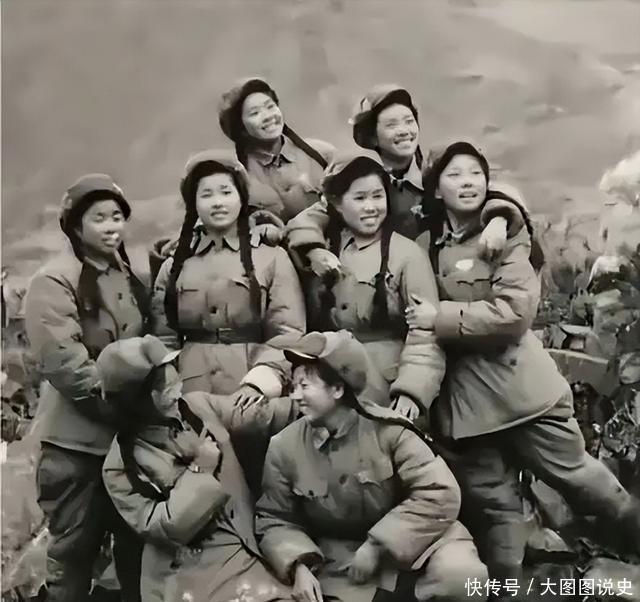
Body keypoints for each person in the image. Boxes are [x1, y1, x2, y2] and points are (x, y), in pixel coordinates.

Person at [406, 141, 640, 595]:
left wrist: (442, 318)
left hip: (523, 390)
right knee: (496, 512)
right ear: (435, 189)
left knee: (582, 479)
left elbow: (514, 314)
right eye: (455, 174)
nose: (468, 182)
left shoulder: (506, 234)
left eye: (475, 173)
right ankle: (509, 589)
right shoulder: (421, 247)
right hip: (464, 407)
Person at [256, 330, 487, 602]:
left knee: (463, 578)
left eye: (305, 386)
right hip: (342, 560)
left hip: (421, 543)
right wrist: (299, 566)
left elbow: (439, 493)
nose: (295, 396)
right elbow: (274, 518)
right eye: (294, 387)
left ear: (338, 389)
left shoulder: (390, 432)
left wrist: (378, 544)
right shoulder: (284, 447)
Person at [151, 150, 306, 494]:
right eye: (206, 194)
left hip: (249, 385)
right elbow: (162, 338)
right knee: (197, 483)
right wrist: (169, 389)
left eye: (226, 191)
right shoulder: (175, 264)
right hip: (191, 387)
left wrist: (260, 382)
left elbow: (288, 331)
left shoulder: (271, 257)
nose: (218, 202)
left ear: (241, 197)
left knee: (258, 479)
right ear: (193, 203)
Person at [100, 335, 298, 602]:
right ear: (137, 401)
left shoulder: (196, 407)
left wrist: (311, 405)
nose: (176, 393)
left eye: (176, 383)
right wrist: (201, 470)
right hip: (191, 574)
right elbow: (166, 529)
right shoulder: (122, 465)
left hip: (246, 543)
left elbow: (255, 415)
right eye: (165, 391)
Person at [24, 174, 145, 601]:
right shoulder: (54, 280)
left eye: (117, 217)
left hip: (125, 442)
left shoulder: (127, 276)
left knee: (135, 552)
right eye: (99, 218)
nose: (112, 227)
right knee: (74, 550)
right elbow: (66, 363)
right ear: (76, 226)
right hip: (75, 445)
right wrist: (121, 409)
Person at [285, 84, 525, 277]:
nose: (404, 130)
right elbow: (307, 220)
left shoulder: (434, 174)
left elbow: (492, 190)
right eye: (391, 125)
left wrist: (499, 219)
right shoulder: (359, 180)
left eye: (409, 121)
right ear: (372, 136)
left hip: (431, 283)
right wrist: (314, 250)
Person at [301, 150, 445, 419]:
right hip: (330, 383)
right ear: (337, 203)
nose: (370, 207)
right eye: (359, 198)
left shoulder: (408, 255)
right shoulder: (326, 250)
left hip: (386, 385)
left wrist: (411, 391)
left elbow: (426, 334)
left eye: (377, 196)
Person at [218, 77, 336, 223]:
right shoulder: (235, 173)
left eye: (270, 106)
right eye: (255, 113)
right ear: (241, 128)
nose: (268, 116)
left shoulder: (323, 154)